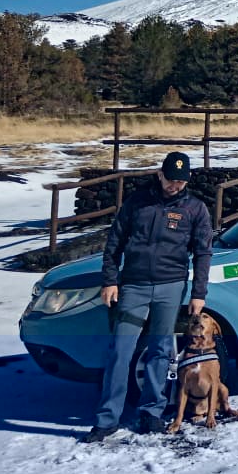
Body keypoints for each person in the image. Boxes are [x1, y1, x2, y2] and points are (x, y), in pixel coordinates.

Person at [82, 151, 213, 443]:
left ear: (187, 180)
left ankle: (151, 412)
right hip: (135, 287)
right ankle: (107, 419)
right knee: (120, 351)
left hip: (171, 286)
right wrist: (110, 281)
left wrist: (198, 293)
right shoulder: (137, 203)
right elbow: (113, 243)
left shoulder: (195, 209)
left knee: (161, 350)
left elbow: (203, 252)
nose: (174, 186)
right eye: (170, 180)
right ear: (160, 174)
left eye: (180, 181)